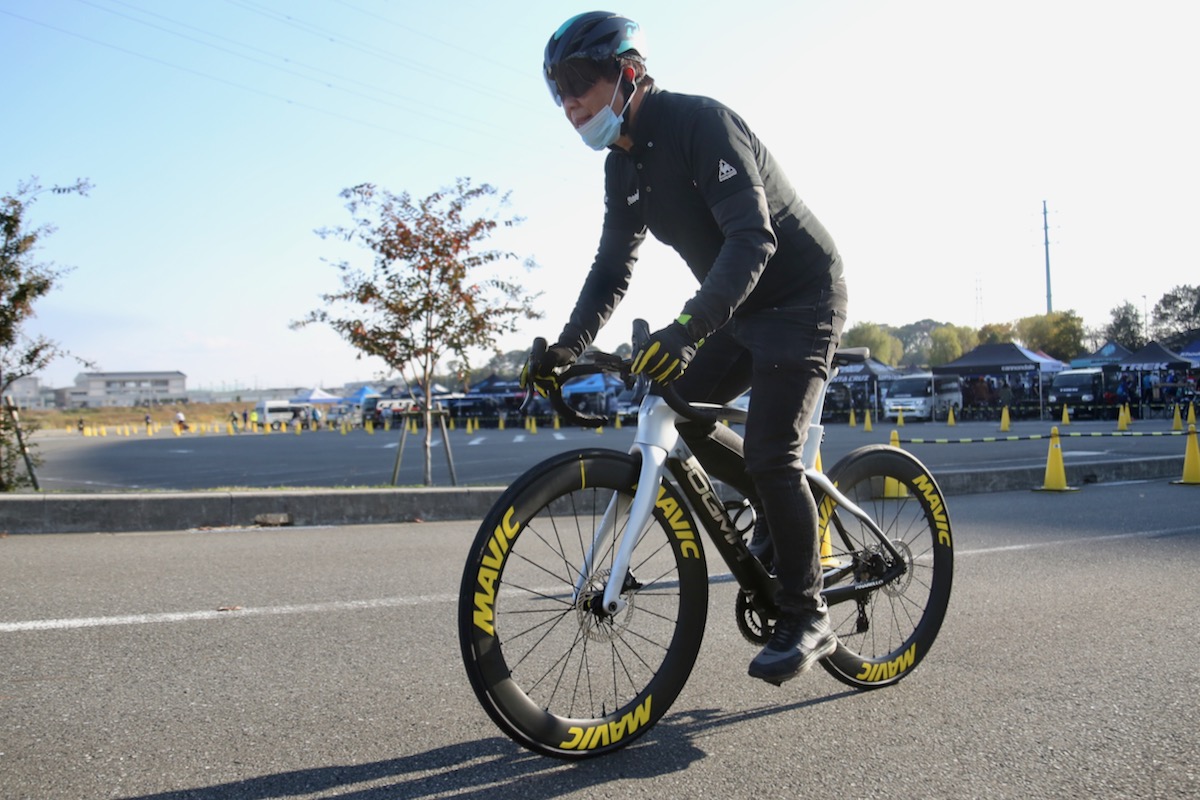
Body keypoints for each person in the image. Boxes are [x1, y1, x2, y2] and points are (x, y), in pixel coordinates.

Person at [524, 12, 848, 685]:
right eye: (558, 91)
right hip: (738, 309)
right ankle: (775, 514)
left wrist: (686, 328)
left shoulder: (701, 124)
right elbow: (612, 269)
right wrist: (567, 347)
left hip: (802, 295)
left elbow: (754, 238)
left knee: (770, 450)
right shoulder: (623, 167)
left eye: (581, 82)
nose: (570, 103)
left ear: (631, 73)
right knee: (678, 408)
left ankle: (808, 610)